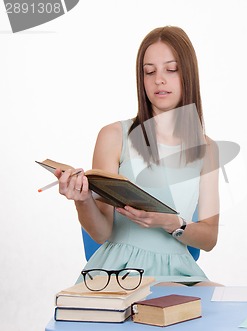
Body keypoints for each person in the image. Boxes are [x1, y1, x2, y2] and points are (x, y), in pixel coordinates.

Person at [56, 26, 220, 286]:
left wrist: (171, 222)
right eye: (149, 71)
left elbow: (209, 238)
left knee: (220, 307)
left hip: (179, 273)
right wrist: (83, 200)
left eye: (171, 69)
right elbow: (101, 233)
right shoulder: (113, 136)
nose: (159, 80)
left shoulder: (207, 150)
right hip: (121, 272)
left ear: (188, 74)